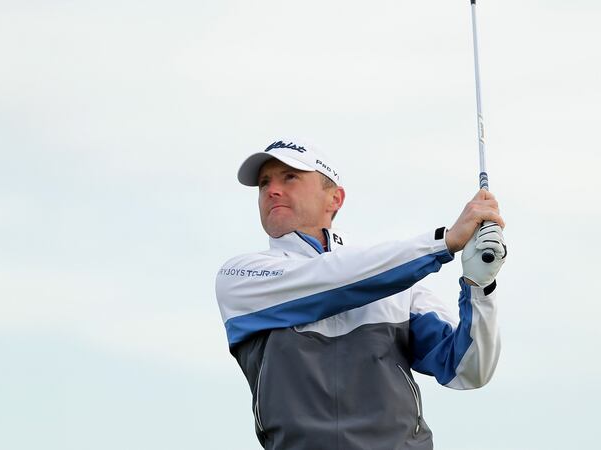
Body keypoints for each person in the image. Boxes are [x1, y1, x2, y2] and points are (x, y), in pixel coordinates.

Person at [215, 140, 507, 450]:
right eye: (264, 183)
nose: (272, 190)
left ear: (335, 199)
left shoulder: (390, 278)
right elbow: (331, 279)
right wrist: (443, 242)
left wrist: (479, 287)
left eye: (290, 177)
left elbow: (467, 369)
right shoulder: (240, 277)